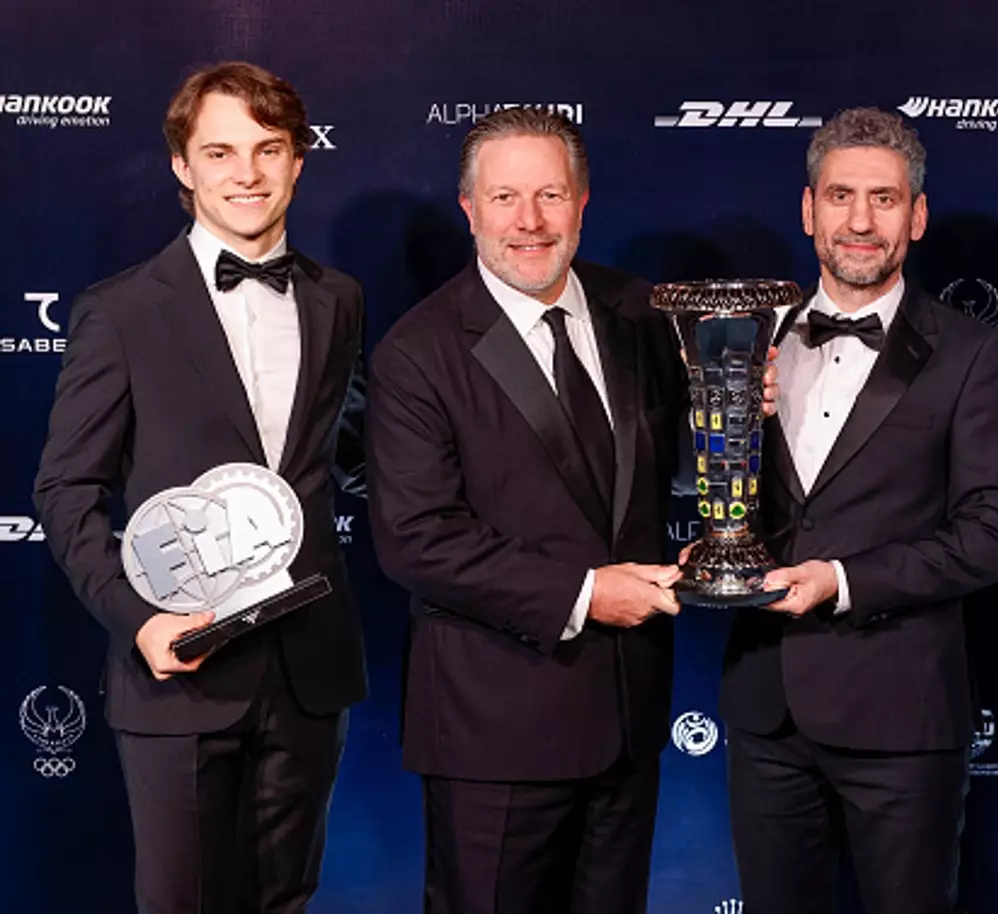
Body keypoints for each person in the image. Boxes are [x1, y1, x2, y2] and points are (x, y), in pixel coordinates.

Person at [366, 106, 774, 914]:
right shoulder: (419, 351)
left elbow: (676, 472)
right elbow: (416, 540)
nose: (530, 221)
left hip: (628, 721)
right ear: (469, 208)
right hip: (496, 732)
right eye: (506, 197)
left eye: (551, 195)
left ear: (583, 203)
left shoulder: (645, 313)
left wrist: (737, 426)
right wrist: (585, 595)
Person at [33, 62, 367, 914]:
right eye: (220, 152)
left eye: (268, 149)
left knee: (285, 901)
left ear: (300, 160)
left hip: (308, 673)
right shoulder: (121, 311)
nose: (246, 173)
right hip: (181, 675)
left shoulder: (340, 301)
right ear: (183, 167)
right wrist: (139, 622)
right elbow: (67, 489)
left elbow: (349, 456)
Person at [719, 107, 998, 914]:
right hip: (766, 708)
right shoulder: (744, 344)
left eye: (885, 200)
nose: (860, 221)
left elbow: (996, 531)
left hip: (903, 713)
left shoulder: (971, 354)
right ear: (808, 208)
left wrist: (843, 579)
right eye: (841, 196)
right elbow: (696, 500)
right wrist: (723, 443)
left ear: (917, 216)